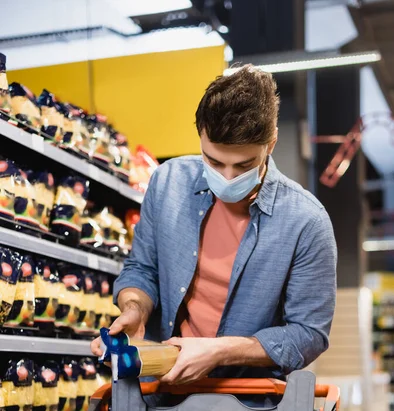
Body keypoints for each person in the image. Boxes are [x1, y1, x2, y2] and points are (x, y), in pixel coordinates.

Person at [91, 65, 337, 387]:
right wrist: (135, 308)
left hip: (246, 406)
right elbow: (142, 269)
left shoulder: (307, 222)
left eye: (244, 165)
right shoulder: (168, 184)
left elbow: (308, 334)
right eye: (214, 161)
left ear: (271, 144)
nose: (228, 178)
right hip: (157, 396)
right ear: (201, 135)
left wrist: (219, 352)